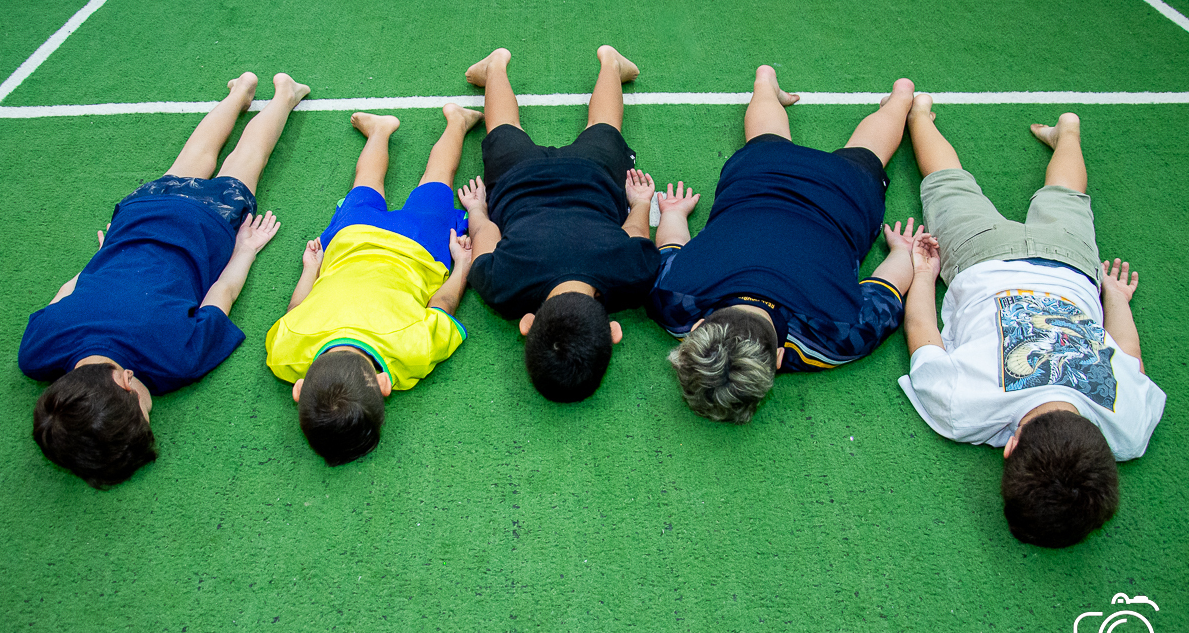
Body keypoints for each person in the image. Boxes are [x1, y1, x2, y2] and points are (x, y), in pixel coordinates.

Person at [899, 96, 1166, 548]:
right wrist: (923, 272)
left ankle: (1068, 130)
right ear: (1010, 446)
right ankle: (920, 116)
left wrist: (1115, 298)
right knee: (948, 186)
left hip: (1071, 265)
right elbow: (921, 331)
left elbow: (1129, 358)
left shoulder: (1130, 426)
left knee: (1067, 196)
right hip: (982, 258)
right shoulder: (959, 408)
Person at [20, 72, 309, 487]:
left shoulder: (176, 360)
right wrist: (105, 253)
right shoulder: (36, 351)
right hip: (139, 215)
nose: (150, 409)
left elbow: (223, 293)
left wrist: (245, 249)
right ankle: (241, 92)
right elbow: (69, 291)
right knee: (196, 154)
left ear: (127, 381)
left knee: (248, 159)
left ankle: (285, 95)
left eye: (144, 410)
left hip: (206, 227)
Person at [647, 66, 921, 423]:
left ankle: (901, 98)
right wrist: (673, 213)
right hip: (759, 172)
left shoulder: (838, 336)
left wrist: (902, 251)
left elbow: (887, 285)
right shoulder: (671, 300)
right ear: (697, 328)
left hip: (843, 193)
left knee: (868, 154)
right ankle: (765, 83)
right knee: (765, 138)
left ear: (777, 359)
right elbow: (671, 245)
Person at [265, 105, 482, 465]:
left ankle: (457, 120)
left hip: (420, 247)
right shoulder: (284, 353)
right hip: (352, 238)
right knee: (365, 183)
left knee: (438, 179)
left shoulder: (411, 350)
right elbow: (294, 312)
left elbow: (442, 307)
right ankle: (380, 130)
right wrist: (311, 270)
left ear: (384, 385)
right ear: (299, 389)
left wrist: (462, 265)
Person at [457, 45, 660, 402]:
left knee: (604, 128)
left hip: (592, 174)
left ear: (613, 330)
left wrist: (641, 202)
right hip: (518, 178)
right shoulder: (502, 288)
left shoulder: (633, 277)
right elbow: (487, 232)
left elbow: (635, 232)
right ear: (528, 324)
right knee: (504, 128)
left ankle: (610, 63)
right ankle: (496, 67)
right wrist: (476, 209)